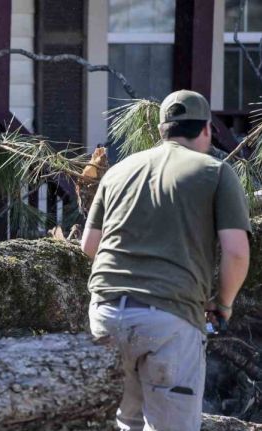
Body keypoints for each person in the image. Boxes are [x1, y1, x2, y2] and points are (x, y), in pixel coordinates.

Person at [81, 89, 251, 430]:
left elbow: (89, 245)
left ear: (161, 130)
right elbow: (236, 251)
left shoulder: (118, 172)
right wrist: (224, 304)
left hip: (106, 315)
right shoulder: (215, 172)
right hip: (169, 319)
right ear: (205, 130)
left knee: (126, 422)